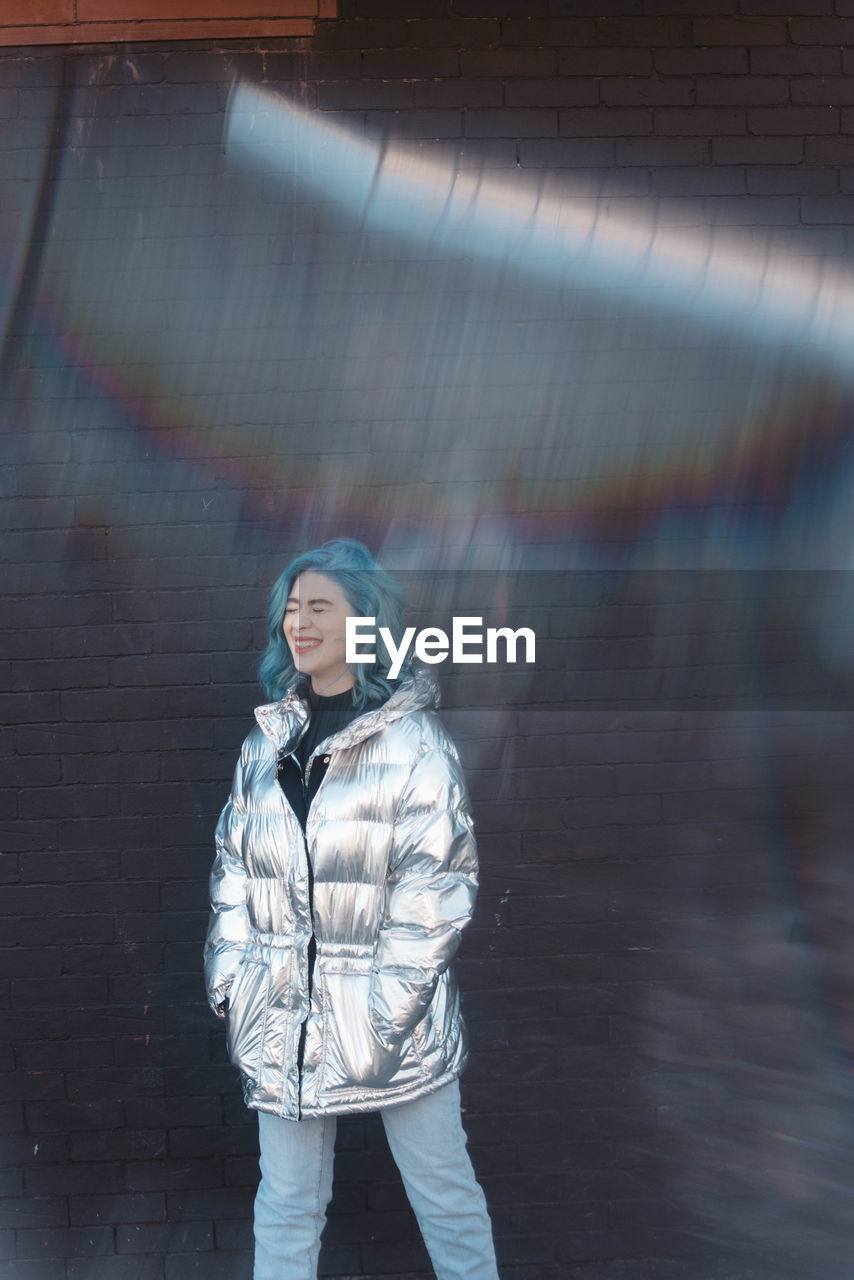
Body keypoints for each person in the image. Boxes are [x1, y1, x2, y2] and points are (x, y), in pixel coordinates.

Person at [204, 538, 500, 1280]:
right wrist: (235, 985)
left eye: (320, 608)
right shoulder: (266, 744)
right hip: (281, 1022)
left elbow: (436, 891)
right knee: (287, 1204)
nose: (299, 623)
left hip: (393, 1029)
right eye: (291, 609)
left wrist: (379, 1018)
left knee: (445, 1197)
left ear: (365, 623)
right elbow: (234, 871)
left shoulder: (413, 744)